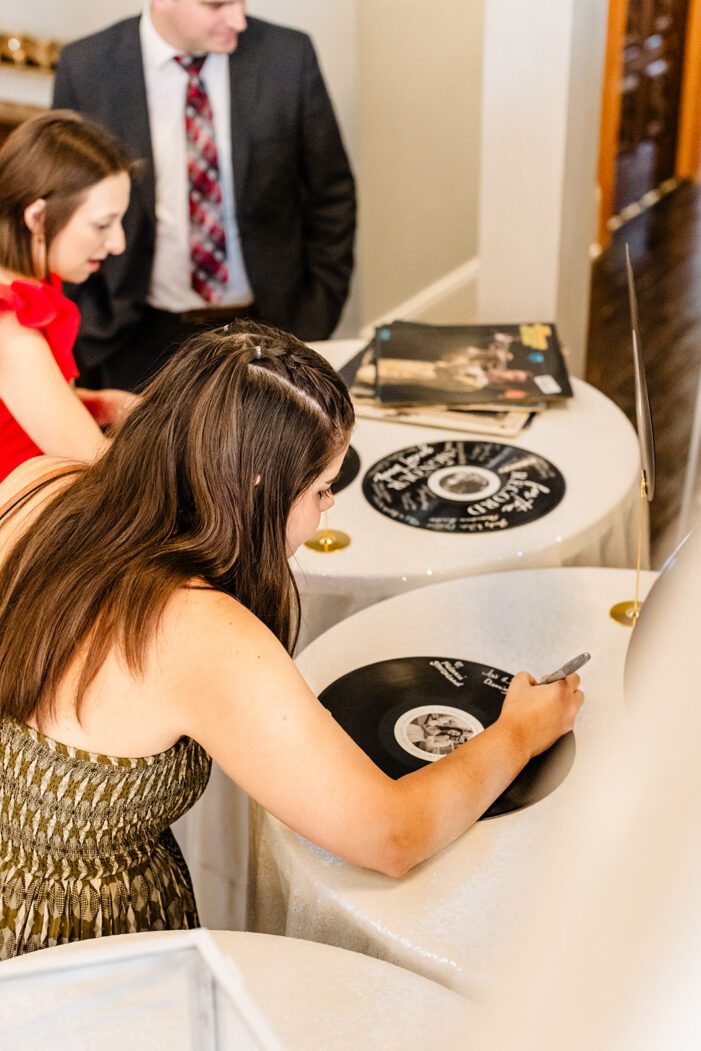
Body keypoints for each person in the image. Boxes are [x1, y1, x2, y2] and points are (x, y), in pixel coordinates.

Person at [0, 323, 583, 959]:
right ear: (256, 487)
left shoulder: (36, 485)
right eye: (321, 489)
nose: (327, 507)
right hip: (71, 944)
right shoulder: (200, 631)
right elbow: (390, 837)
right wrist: (519, 732)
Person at [52, 0, 356, 392]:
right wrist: (86, 319)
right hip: (133, 336)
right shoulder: (86, 67)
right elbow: (64, 204)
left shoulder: (287, 56)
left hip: (268, 327)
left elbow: (331, 194)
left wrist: (316, 314)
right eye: (217, 5)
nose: (238, 19)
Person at [0, 111, 136, 483]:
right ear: (38, 217)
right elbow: (94, 463)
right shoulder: (9, 325)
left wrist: (99, 404)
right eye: (103, 224)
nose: (117, 243)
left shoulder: (30, 287)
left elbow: (20, 412)